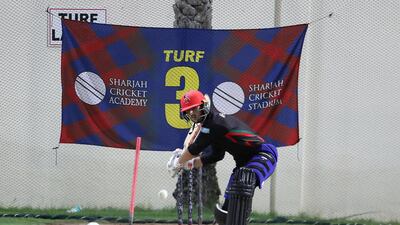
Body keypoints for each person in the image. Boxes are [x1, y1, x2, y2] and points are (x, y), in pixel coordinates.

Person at [167, 90, 278, 225]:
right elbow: (217, 155)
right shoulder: (210, 126)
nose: (191, 113)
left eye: (194, 108)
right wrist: (191, 163)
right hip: (243, 165)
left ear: (203, 105)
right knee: (227, 209)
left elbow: (195, 148)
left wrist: (178, 162)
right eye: (188, 110)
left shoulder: (214, 123)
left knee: (244, 180)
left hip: (262, 154)